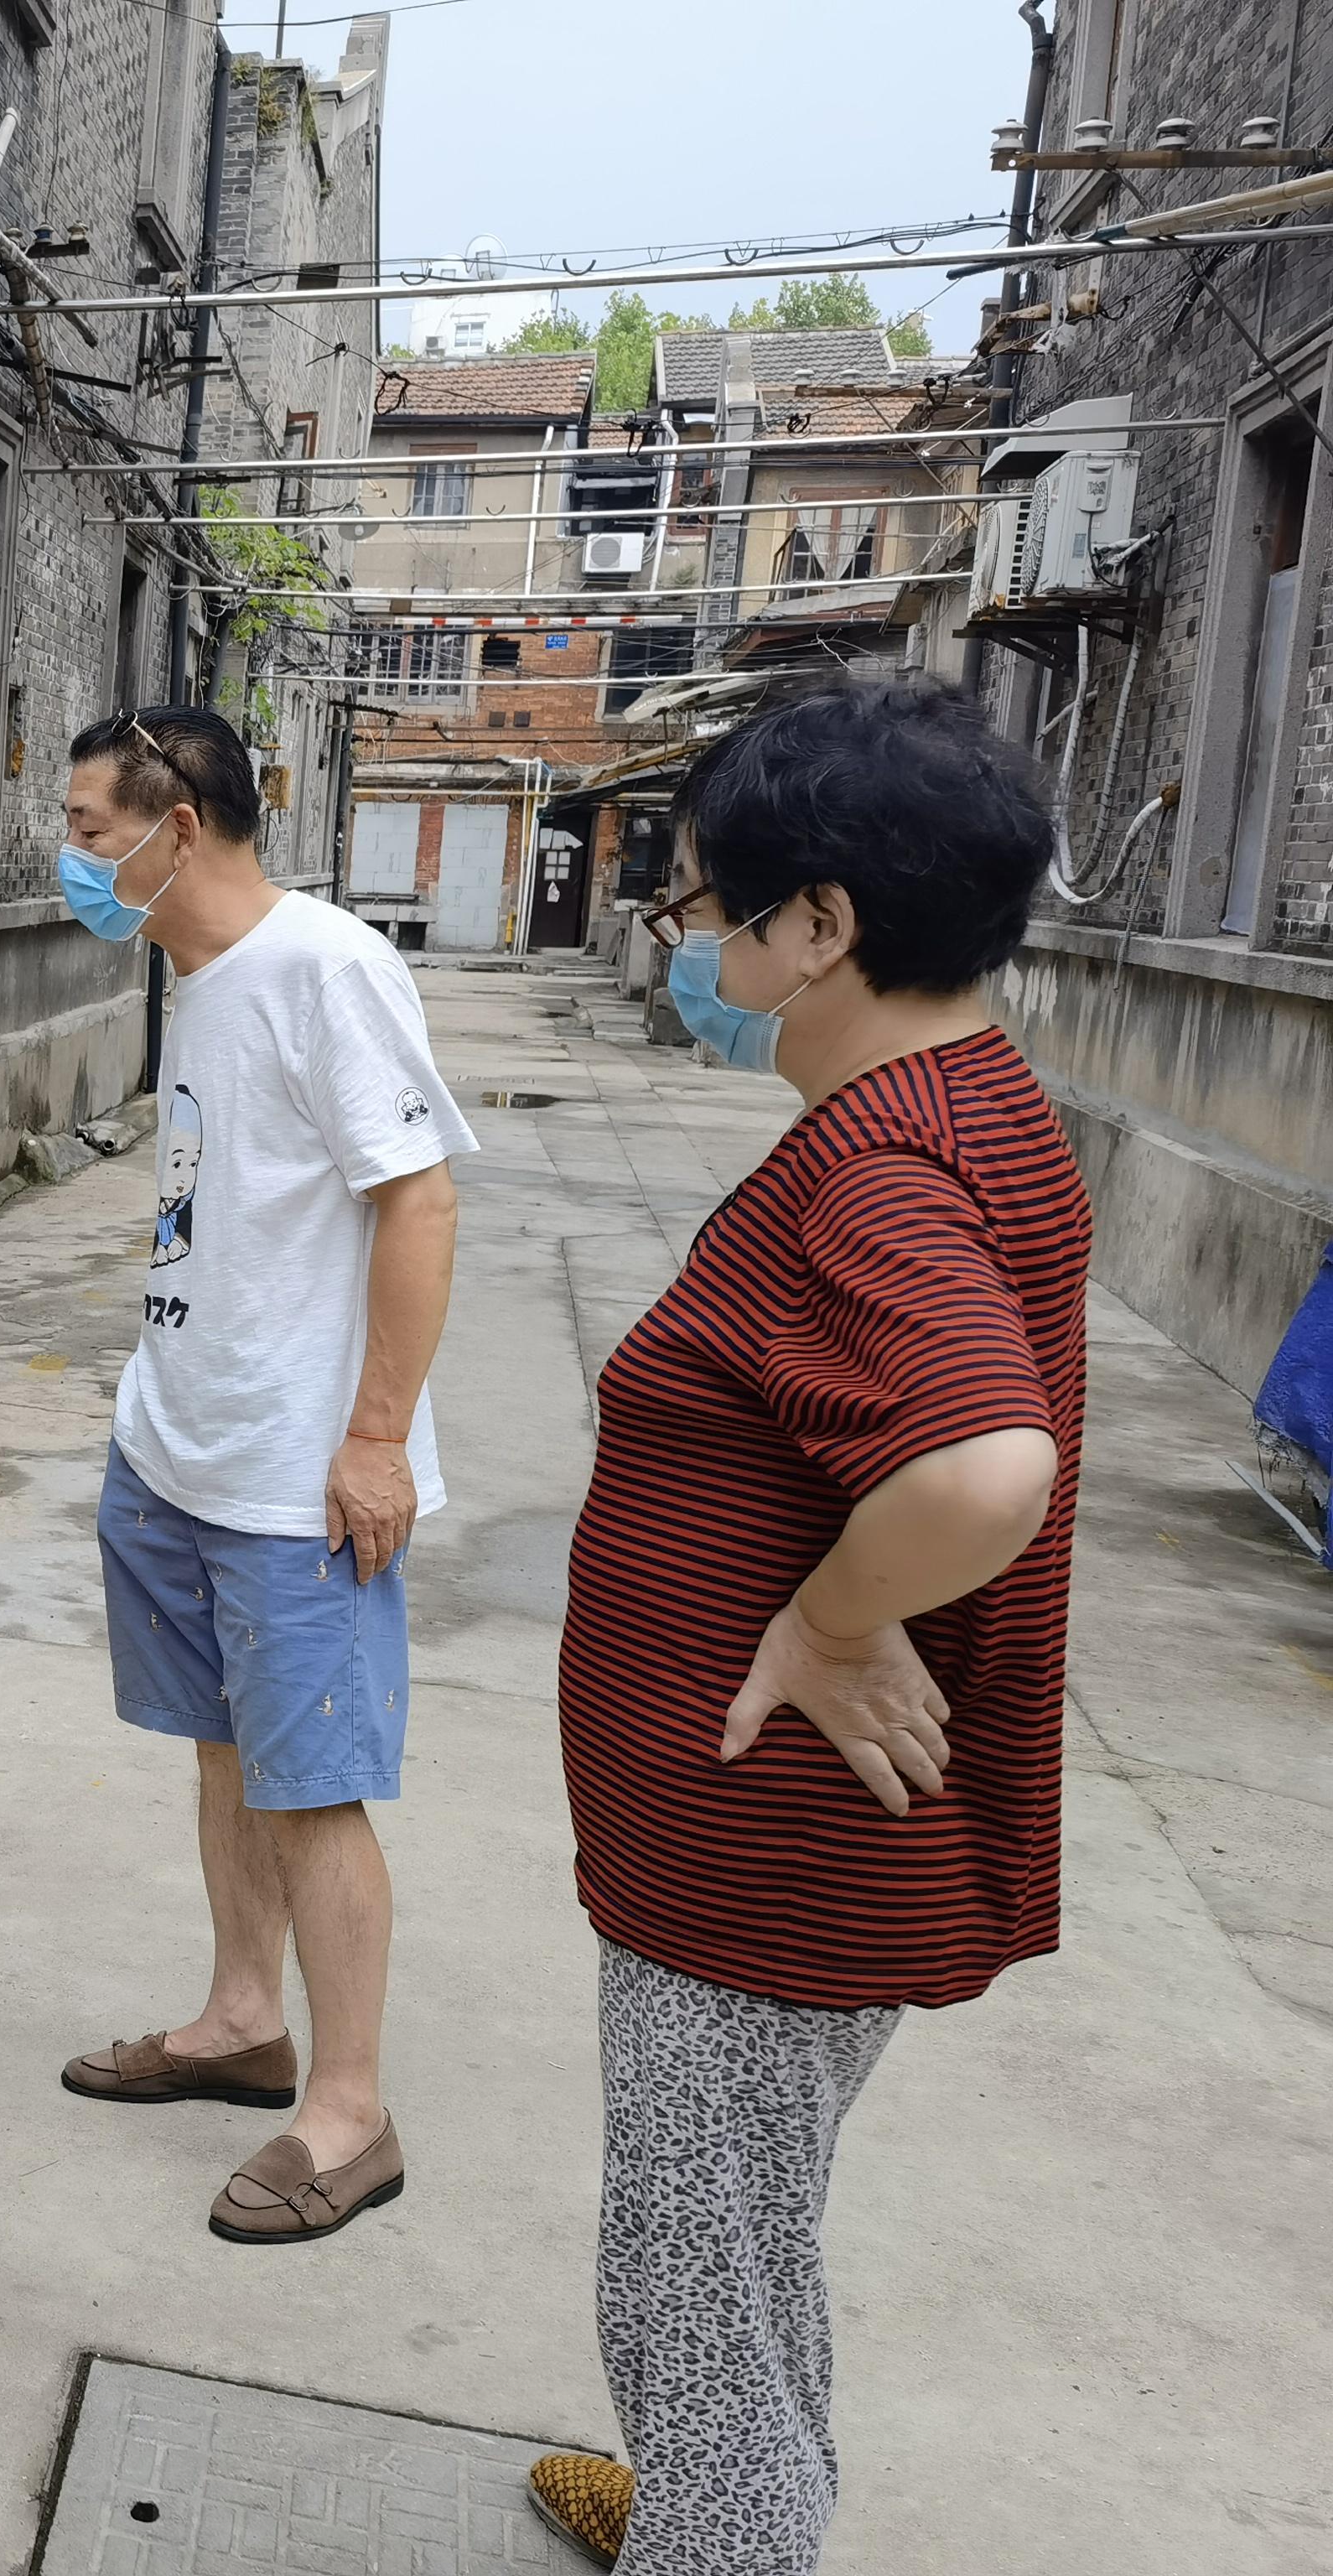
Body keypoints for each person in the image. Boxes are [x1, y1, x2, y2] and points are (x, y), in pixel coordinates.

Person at [525, 678, 1084, 2573]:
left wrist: (836, 1624)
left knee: (688, 2299)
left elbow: (981, 1467)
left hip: (761, 1872)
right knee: (745, 2265)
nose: (677, 948)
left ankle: (721, 2530)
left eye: (694, 911)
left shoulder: (877, 1165)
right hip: (790, 1871)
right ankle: (711, 2510)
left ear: (818, 924)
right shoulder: (970, 1101)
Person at [49, 705, 473, 2246]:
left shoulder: (326, 966)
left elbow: (418, 1205)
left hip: (300, 1474)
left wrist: (374, 1437)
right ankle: (244, 2022)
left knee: (315, 1787)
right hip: (180, 1448)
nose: (74, 859)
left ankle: (350, 2113)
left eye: (93, 830)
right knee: (224, 1754)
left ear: (183, 825)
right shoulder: (198, 978)